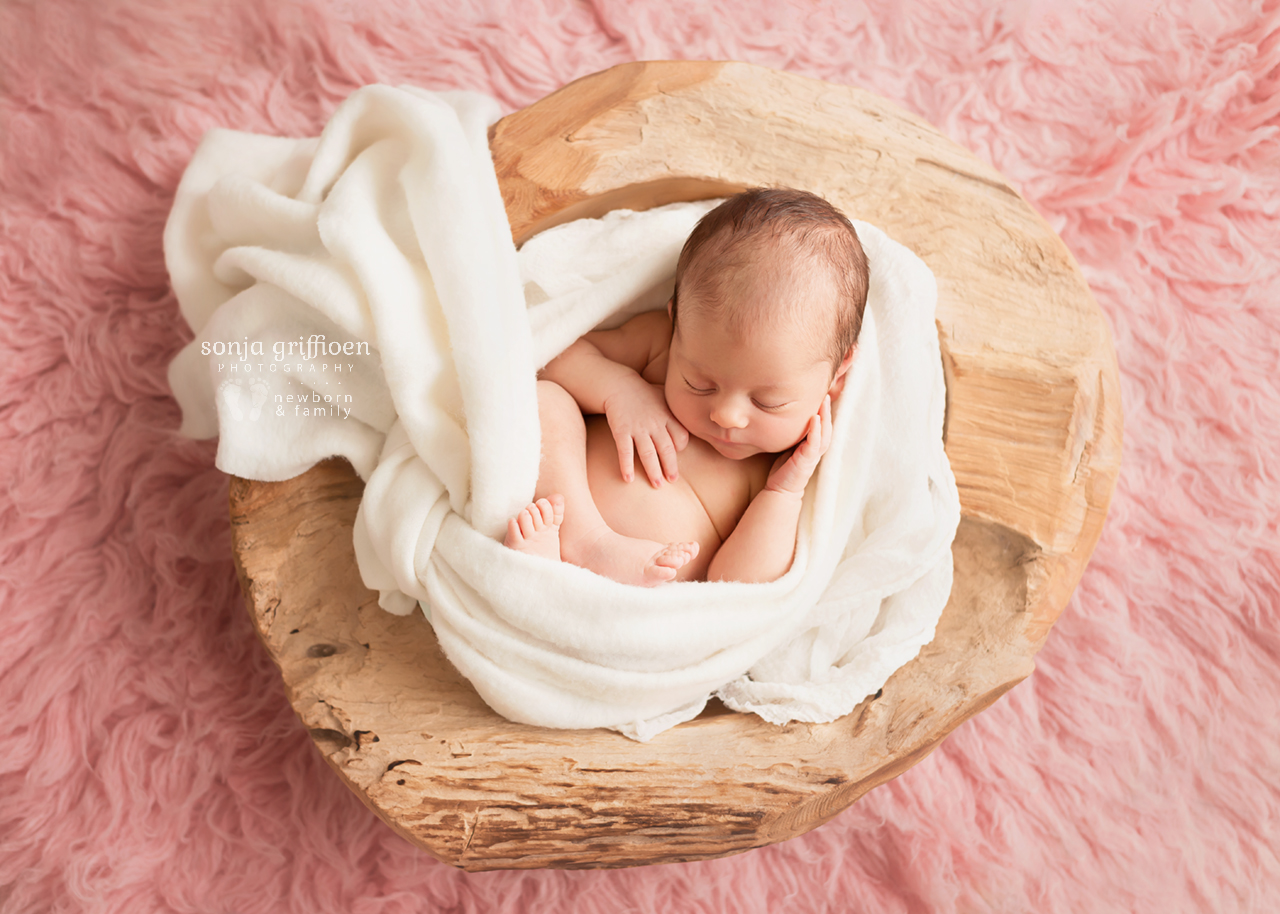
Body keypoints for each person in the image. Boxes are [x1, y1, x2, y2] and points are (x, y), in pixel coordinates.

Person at [504, 188, 870, 585]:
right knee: (547, 400)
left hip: (649, 588)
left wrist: (784, 494)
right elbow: (552, 357)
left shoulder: (778, 465)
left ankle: (553, 571)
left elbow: (738, 584)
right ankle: (579, 543)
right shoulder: (662, 344)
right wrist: (619, 390)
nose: (726, 415)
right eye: (699, 383)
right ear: (677, 321)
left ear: (836, 375)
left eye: (768, 402)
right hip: (555, 519)